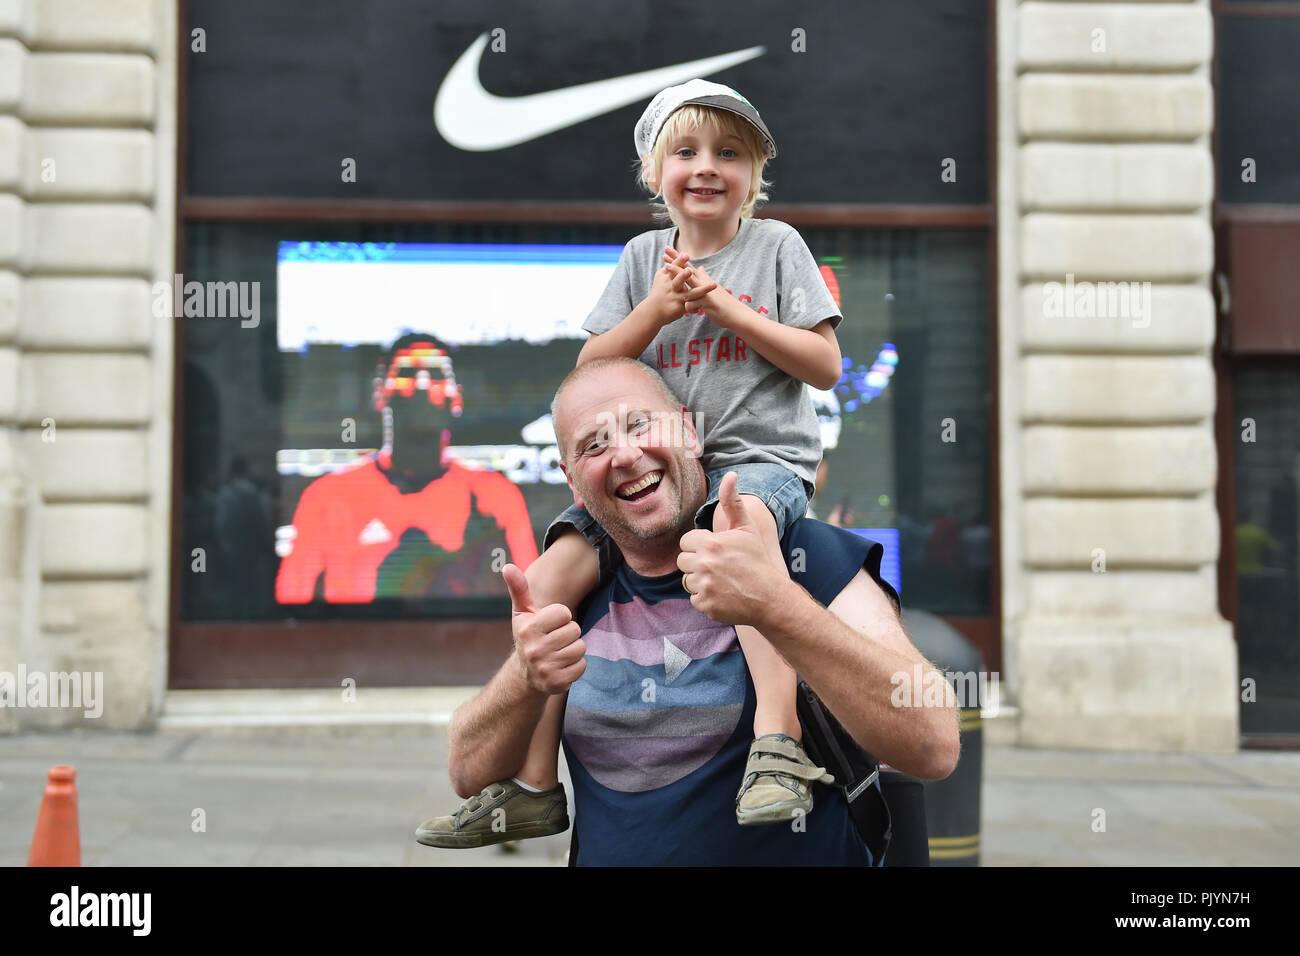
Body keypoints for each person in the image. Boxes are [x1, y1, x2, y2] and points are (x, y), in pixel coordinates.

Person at [416, 78, 848, 845]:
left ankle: (777, 746)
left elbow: (822, 364)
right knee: (551, 576)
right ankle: (535, 784)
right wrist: (658, 309)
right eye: (685, 151)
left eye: (729, 152)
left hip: (754, 461)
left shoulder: (777, 247)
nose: (707, 166)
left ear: (755, 174)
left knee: (736, 545)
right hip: (654, 465)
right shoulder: (643, 256)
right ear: (656, 174)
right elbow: (588, 368)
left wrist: (724, 309)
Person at [425, 358, 959, 864]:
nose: (626, 455)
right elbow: (468, 773)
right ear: (573, 482)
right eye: (594, 445)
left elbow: (933, 745)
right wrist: (524, 676)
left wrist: (775, 604)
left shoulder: (801, 556)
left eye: (640, 424)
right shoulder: (575, 592)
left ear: (689, 430)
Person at [275, 332, 538, 603]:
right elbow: (292, 603)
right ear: (380, 392)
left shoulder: (495, 495)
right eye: (408, 372)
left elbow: (533, 598)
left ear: (456, 397)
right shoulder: (326, 495)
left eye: (436, 374)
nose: (422, 383)